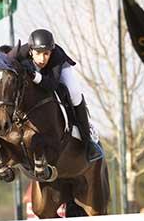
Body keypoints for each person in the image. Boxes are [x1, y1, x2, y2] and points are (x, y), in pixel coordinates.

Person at [18, 29, 103, 162]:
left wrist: (34, 76)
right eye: (38, 53)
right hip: (38, 75)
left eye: (46, 54)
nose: (42, 59)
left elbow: (52, 84)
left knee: (74, 94)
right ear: (30, 51)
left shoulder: (56, 57)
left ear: (51, 52)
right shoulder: (21, 53)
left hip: (59, 71)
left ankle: (88, 141)